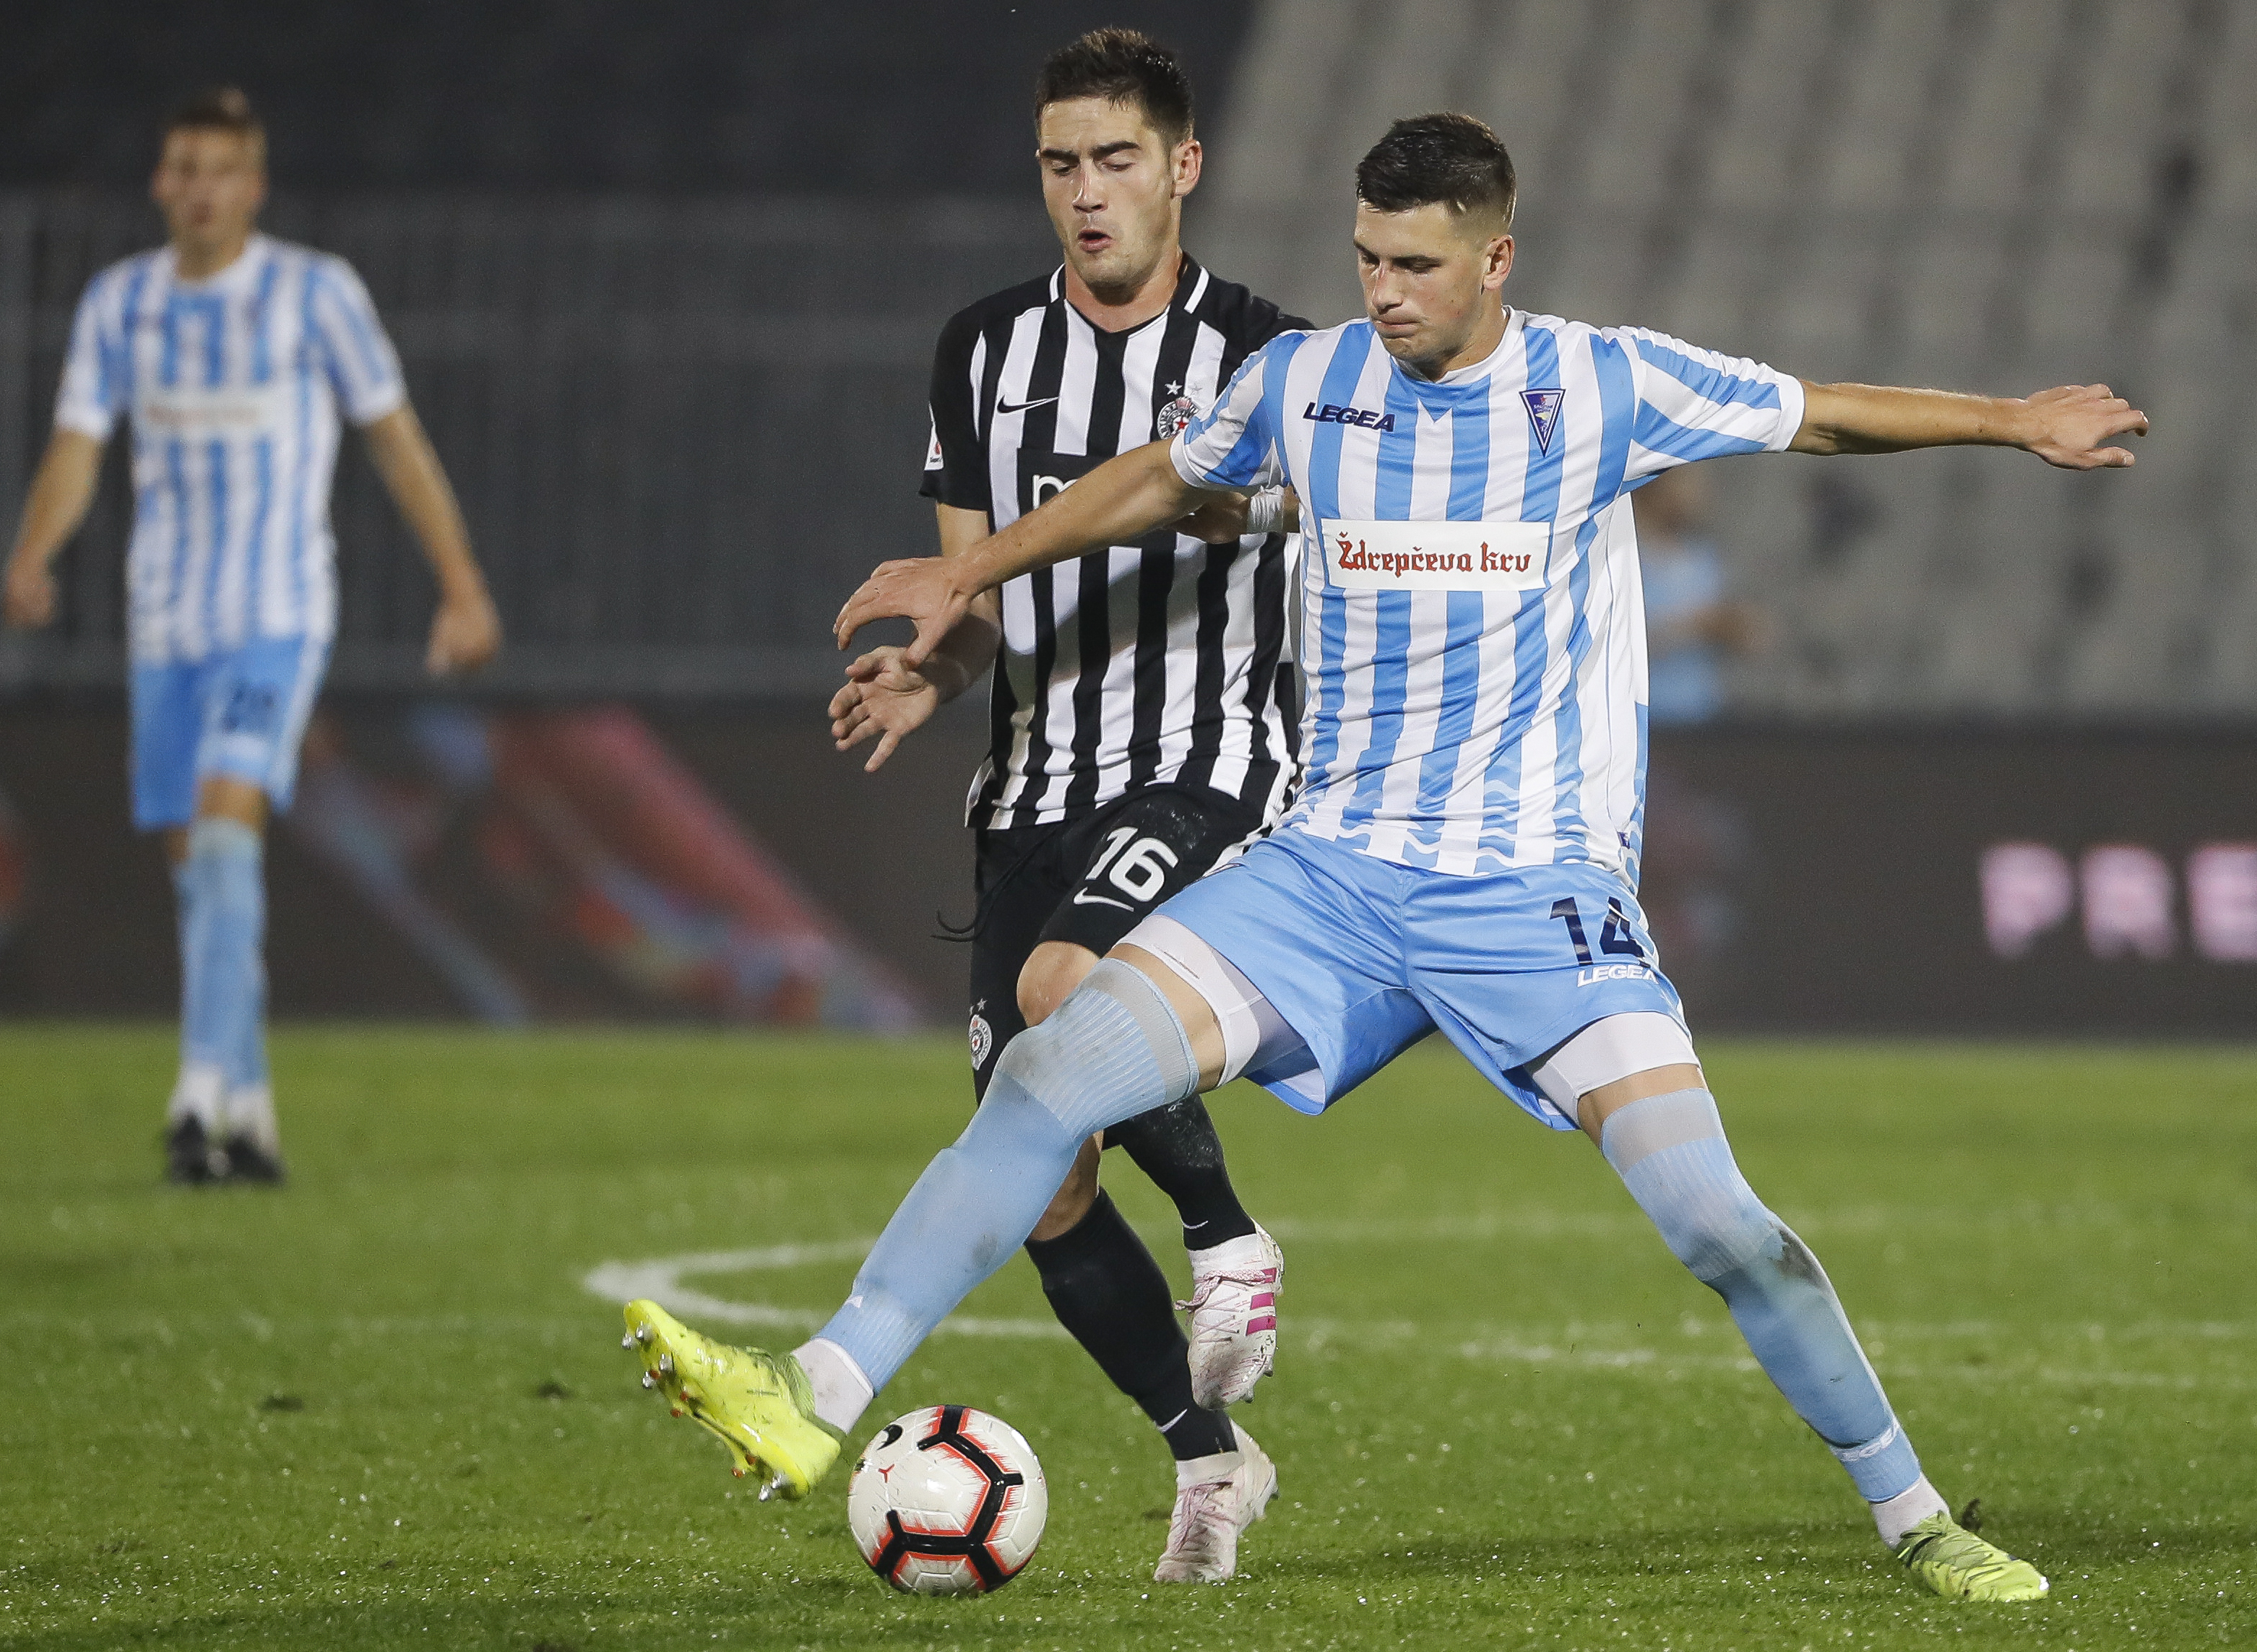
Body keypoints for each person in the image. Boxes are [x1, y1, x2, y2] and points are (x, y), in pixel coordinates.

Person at [623, 113, 2147, 1601]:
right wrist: (968, 568)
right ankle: (815, 1390)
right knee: (1043, 1073)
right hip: (1328, 880)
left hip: (1534, 894)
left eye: (1415, 265)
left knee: (1715, 1223)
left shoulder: (1601, 382)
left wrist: (2012, 421)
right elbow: (1160, 476)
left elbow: (1815, 411)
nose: (1383, 291)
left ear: (1495, 257)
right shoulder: (1306, 381)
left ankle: (1912, 1517)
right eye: (1365, 258)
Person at [821, 29, 1302, 1583]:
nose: (1085, 193)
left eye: (1114, 160)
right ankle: (1208, 1456)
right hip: (1033, 786)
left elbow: (1226, 506)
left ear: (1182, 166)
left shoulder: (1271, 355)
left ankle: (1225, 1233)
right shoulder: (979, 350)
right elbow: (972, 595)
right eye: (1058, 165)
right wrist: (930, 672)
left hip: (1203, 761)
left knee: (1059, 993)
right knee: (1043, 1176)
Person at [2, 89, 500, 1185]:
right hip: (165, 623)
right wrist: (32, 552)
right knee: (201, 868)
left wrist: (461, 583)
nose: (201, 189)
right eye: (184, 168)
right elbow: (77, 447)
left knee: (227, 835)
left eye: (221, 170)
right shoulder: (120, 304)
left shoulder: (315, 295)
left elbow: (395, 438)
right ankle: (253, 1109)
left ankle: (196, 1094)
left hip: (276, 615)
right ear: (160, 182)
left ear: (254, 187)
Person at [1632, 464, 1768, 724]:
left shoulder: (1703, 558)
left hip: (1700, 718)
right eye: (1686, 482)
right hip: (1642, 719)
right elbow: (1614, 644)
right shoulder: (1623, 558)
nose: (1698, 493)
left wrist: (1736, 629)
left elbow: (1753, 640)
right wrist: (1692, 628)